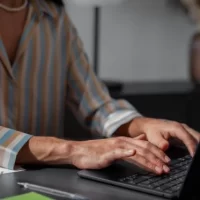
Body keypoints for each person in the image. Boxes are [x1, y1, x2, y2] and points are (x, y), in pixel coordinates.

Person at [0, 0, 199, 175]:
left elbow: (97, 105)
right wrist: (74, 150)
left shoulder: (54, 18)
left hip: (40, 182)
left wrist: (144, 125)